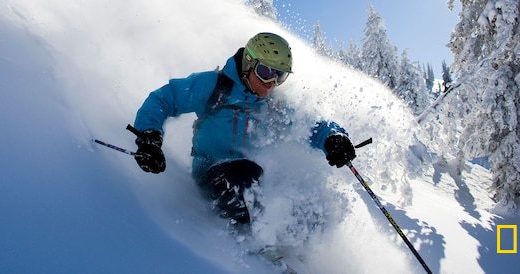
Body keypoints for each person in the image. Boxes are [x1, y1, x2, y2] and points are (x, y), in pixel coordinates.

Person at [130, 32, 356, 227]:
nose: (272, 83)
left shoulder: (273, 104)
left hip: (255, 174)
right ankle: (254, 247)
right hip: (213, 170)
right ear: (249, 63)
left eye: (280, 76)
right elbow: (164, 99)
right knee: (243, 178)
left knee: (304, 200)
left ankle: (296, 251)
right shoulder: (215, 87)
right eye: (266, 72)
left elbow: (311, 126)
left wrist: (333, 137)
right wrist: (149, 137)